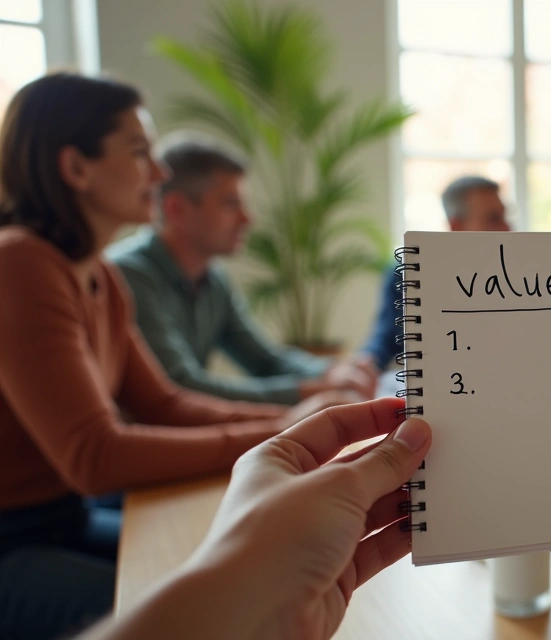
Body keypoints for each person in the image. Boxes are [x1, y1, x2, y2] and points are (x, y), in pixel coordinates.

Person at [0, 72, 353, 639]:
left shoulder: (101, 276)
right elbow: (94, 456)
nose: (160, 174)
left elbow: (165, 404)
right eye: (141, 152)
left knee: (231, 572)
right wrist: (279, 435)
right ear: (75, 167)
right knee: (222, 609)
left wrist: (293, 425)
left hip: (66, 521)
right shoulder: (19, 263)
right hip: (14, 544)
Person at [76, 398, 431, 640]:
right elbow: (96, 456)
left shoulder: (113, 302)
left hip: (83, 516)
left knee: (155, 564)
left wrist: (262, 609)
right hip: (46, 531)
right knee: (138, 578)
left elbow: (164, 402)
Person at [107, 140, 376, 404]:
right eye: (230, 204)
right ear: (177, 209)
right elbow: (181, 387)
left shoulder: (213, 279)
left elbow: (264, 360)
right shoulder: (128, 276)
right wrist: (310, 393)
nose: (247, 219)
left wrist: (331, 371)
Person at [358, 175, 511, 373]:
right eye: (494, 219)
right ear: (456, 227)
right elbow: (385, 338)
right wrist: (362, 364)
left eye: (505, 217)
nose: (508, 228)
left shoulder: (518, 276)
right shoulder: (409, 273)